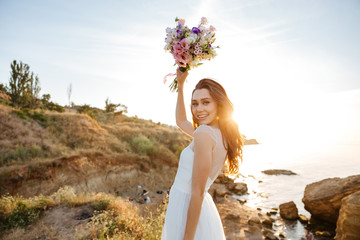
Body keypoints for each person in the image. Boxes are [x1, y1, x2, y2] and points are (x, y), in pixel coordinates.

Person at [161, 68, 244, 240]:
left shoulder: (204, 134)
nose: (199, 109)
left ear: (218, 104)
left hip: (187, 209)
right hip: (200, 209)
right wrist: (181, 85)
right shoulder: (218, 133)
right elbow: (181, 121)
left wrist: (187, 238)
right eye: (195, 103)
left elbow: (197, 192)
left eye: (206, 102)